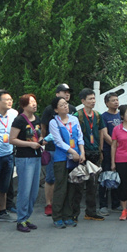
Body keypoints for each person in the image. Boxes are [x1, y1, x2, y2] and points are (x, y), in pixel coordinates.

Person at [48, 97, 84, 228]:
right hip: (62, 158)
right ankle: (57, 216)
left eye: (66, 104)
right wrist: (72, 152)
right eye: (62, 105)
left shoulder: (74, 119)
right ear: (56, 109)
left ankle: (68, 216)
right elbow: (58, 141)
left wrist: (81, 152)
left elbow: (79, 136)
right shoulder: (53, 122)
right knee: (61, 188)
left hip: (75, 157)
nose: (65, 106)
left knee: (72, 187)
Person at [40, 84, 75, 217]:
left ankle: (64, 205)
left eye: (68, 92)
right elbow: (44, 128)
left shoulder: (72, 110)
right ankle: (49, 204)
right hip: (53, 148)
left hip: (69, 149)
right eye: (64, 92)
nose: (67, 94)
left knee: (67, 178)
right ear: (57, 94)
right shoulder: (49, 110)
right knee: (51, 177)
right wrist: (44, 141)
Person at [10, 94, 42, 233]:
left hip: (36, 156)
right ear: (24, 105)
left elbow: (38, 134)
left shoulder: (37, 119)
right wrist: (29, 145)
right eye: (31, 103)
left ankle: (27, 216)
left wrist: (40, 141)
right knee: (25, 189)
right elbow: (12, 139)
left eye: (35, 102)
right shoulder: (19, 120)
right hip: (24, 158)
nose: (34, 105)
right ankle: (20, 219)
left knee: (34, 191)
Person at [0, 90, 17, 222]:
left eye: (11, 99)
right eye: (6, 99)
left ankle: (2, 211)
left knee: (4, 186)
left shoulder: (14, 113)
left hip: (9, 154)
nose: (9, 102)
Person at [76, 88, 104, 221]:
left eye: (94, 98)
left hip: (95, 153)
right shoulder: (77, 116)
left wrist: (101, 150)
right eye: (90, 99)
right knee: (79, 185)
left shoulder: (98, 116)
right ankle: (74, 213)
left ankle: (91, 212)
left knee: (93, 185)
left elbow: (102, 134)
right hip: (82, 153)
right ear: (83, 101)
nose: (93, 101)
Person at [98, 92, 121, 215]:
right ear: (107, 103)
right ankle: (103, 204)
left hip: (121, 152)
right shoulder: (104, 116)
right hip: (108, 150)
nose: (116, 102)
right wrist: (114, 145)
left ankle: (116, 203)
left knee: (117, 177)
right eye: (113, 100)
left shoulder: (121, 115)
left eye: (117, 100)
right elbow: (104, 134)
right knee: (105, 177)